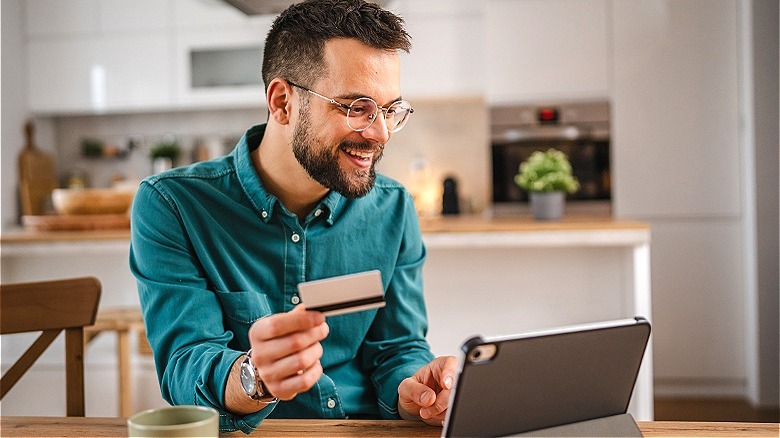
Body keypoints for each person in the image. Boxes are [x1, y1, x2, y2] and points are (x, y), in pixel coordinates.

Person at [129, 0, 457, 433]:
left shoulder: (393, 207)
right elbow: (186, 364)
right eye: (356, 107)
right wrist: (255, 376)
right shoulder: (174, 205)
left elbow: (396, 347)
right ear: (282, 102)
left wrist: (415, 390)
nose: (378, 133)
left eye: (390, 109)